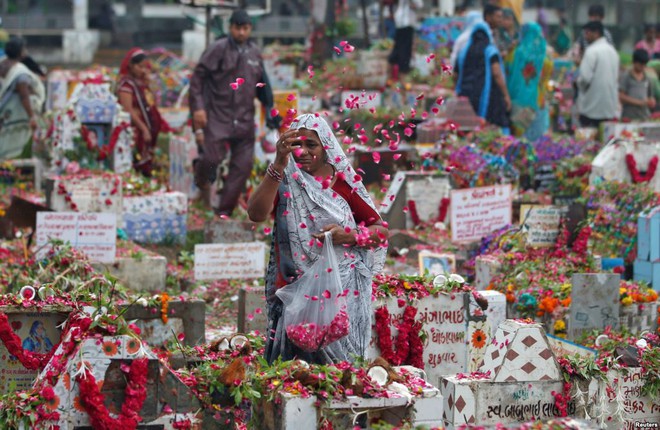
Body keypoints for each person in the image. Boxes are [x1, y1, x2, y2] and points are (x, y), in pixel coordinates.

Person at [247, 113, 388, 364]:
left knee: (342, 373)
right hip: (295, 289)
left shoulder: (343, 184)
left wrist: (349, 236)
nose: (302, 152)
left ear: (326, 146)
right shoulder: (285, 181)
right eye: (296, 145)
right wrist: (278, 164)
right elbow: (256, 214)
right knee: (295, 374)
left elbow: (380, 231)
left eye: (311, 145)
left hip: (342, 294)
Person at [190, 9, 279, 216]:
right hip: (218, 115)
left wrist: (270, 109)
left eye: (245, 28)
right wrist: (198, 108)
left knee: (243, 166)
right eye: (237, 28)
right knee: (211, 158)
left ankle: (224, 213)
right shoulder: (217, 49)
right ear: (231, 28)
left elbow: (262, 85)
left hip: (245, 118)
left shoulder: (254, 53)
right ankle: (202, 180)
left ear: (250, 29)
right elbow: (197, 79)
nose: (241, 32)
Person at [116, 48, 168, 176]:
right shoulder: (126, 85)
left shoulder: (141, 84)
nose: (143, 70)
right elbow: (128, 110)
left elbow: (151, 104)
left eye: (145, 67)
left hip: (146, 132)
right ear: (131, 65)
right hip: (136, 132)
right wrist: (144, 129)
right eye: (140, 67)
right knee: (136, 165)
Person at [455, 21, 511, 131]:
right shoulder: (490, 50)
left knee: (467, 127)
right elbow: (496, 73)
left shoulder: (463, 52)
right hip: (488, 96)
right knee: (487, 126)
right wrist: (505, 94)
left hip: (466, 95)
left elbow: (456, 73)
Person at [0, 36, 45, 160]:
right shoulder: (20, 73)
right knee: (13, 145)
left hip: (3, 112)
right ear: (20, 52)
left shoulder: (2, 63)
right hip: (14, 114)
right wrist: (32, 117)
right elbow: (24, 96)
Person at [507, 22, 552, 141]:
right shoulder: (545, 58)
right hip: (537, 100)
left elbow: (507, 72)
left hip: (517, 99)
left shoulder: (514, 53)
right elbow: (546, 78)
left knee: (518, 139)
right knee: (536, 138)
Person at [577, 21, 619, 128]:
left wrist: (577, 84)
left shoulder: (591, 51)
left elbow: (585, 78)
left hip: (591, 107)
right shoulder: (613, 51)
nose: (585, 36)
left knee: (590, 141)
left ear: (596, 33)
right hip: (609, 107)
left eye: (587, 33)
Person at [387, 0, 423, 82]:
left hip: (405, 24)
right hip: (403, 24)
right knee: (402, 52)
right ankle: (398, 80)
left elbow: (419, 5)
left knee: (400, 52)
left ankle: (394, 80)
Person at [619, 49, 656, 121]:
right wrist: (639, 102)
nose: (642, 66)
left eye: (644, 64)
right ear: (634, 62)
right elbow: (621, 97)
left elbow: (650, 96)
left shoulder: (647, 78)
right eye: (640, 64)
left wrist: (651, 101)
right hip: (629, 117)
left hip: (644, 116)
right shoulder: (627, 76)